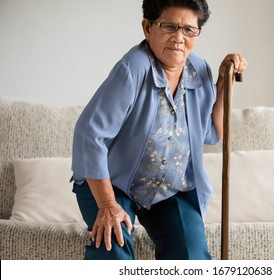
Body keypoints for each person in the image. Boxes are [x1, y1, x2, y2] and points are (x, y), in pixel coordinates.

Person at [71, 0, 247, 260]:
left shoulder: (199, 70)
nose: (179, 38)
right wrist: (108, 205)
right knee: (113, 242)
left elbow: (211, 133)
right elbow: (90, 134)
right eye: (169, 27)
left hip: (168, 189)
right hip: (112, 184)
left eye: (189, 30)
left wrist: (222, 83)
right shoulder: (132, 69)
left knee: (192, 254)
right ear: (147, 27)